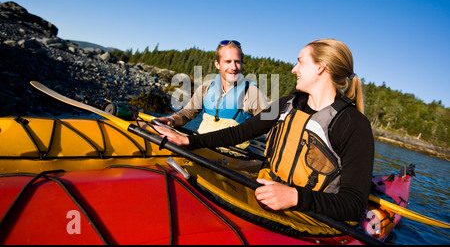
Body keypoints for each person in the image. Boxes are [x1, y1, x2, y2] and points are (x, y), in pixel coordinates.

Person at [154, 38, 374, 221]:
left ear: (320, 67)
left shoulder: (354, 125)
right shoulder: (287, 104)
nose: (293, 69)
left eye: (300, 62)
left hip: (310, 214)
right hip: (266, 188)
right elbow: (239, 132)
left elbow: (353, 204)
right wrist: (188, 141)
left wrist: (296, 197)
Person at [154, 40, 268, 143]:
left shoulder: (252, 93)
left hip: (231, 156)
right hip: (200, 145)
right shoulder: (206, 88)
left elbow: (268, 127)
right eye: (228, 61)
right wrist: (171, 119)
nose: (234, 67)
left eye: (237, 62)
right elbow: (186, 114)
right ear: (217, 64)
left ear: (242, 64)